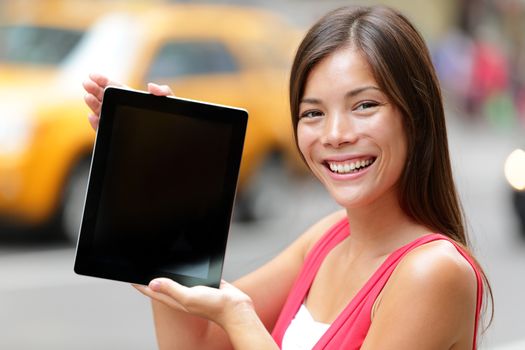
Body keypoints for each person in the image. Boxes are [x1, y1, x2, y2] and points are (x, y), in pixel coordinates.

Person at [83, 5, 492, 350]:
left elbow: (229, 324)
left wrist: (239, 317)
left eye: (364, 105)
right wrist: (154, 168)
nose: (335, 135)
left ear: (415, 117)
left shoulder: (433, 272)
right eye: (313, 113)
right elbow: (199, 343)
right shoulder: (328, 238)